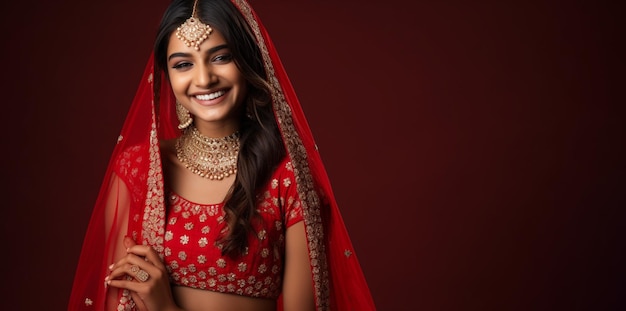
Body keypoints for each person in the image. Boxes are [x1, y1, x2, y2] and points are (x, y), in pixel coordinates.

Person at [68, 0, 376, 310]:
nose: (204, 80)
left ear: (248, 61)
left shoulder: (288, 179)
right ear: (166, 75)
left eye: (221, 57)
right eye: (183, 64)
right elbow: (113, 298)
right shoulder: (138, 170)